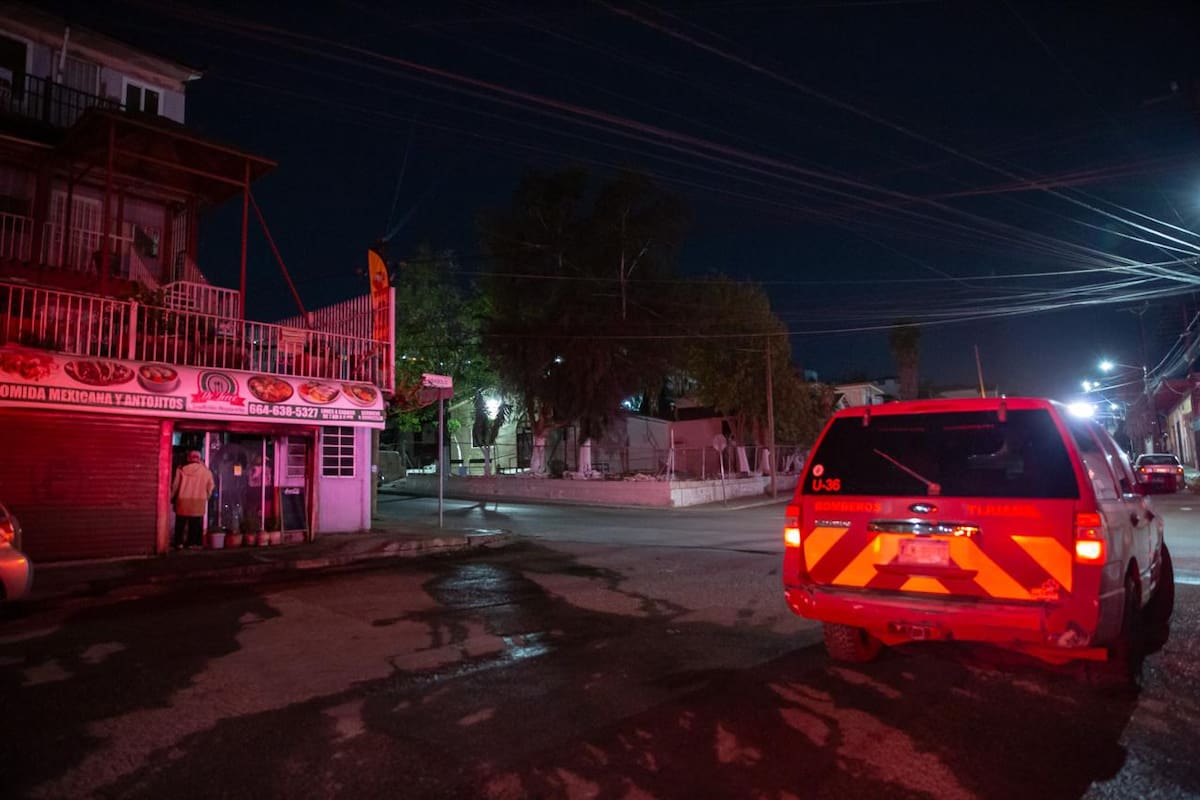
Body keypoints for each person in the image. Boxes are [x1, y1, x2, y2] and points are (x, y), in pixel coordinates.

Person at [172, 450, 215, 550]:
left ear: (189, 458)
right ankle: (191, 543)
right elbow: (211, 486)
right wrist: (206, 496)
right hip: (198, 501)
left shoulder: (181, 470)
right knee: (194, 524)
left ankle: (179, 543)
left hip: (183, 500)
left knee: (180, 524)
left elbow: (175, 485)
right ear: (199, 459)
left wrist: (172, 496)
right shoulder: (206, 472)